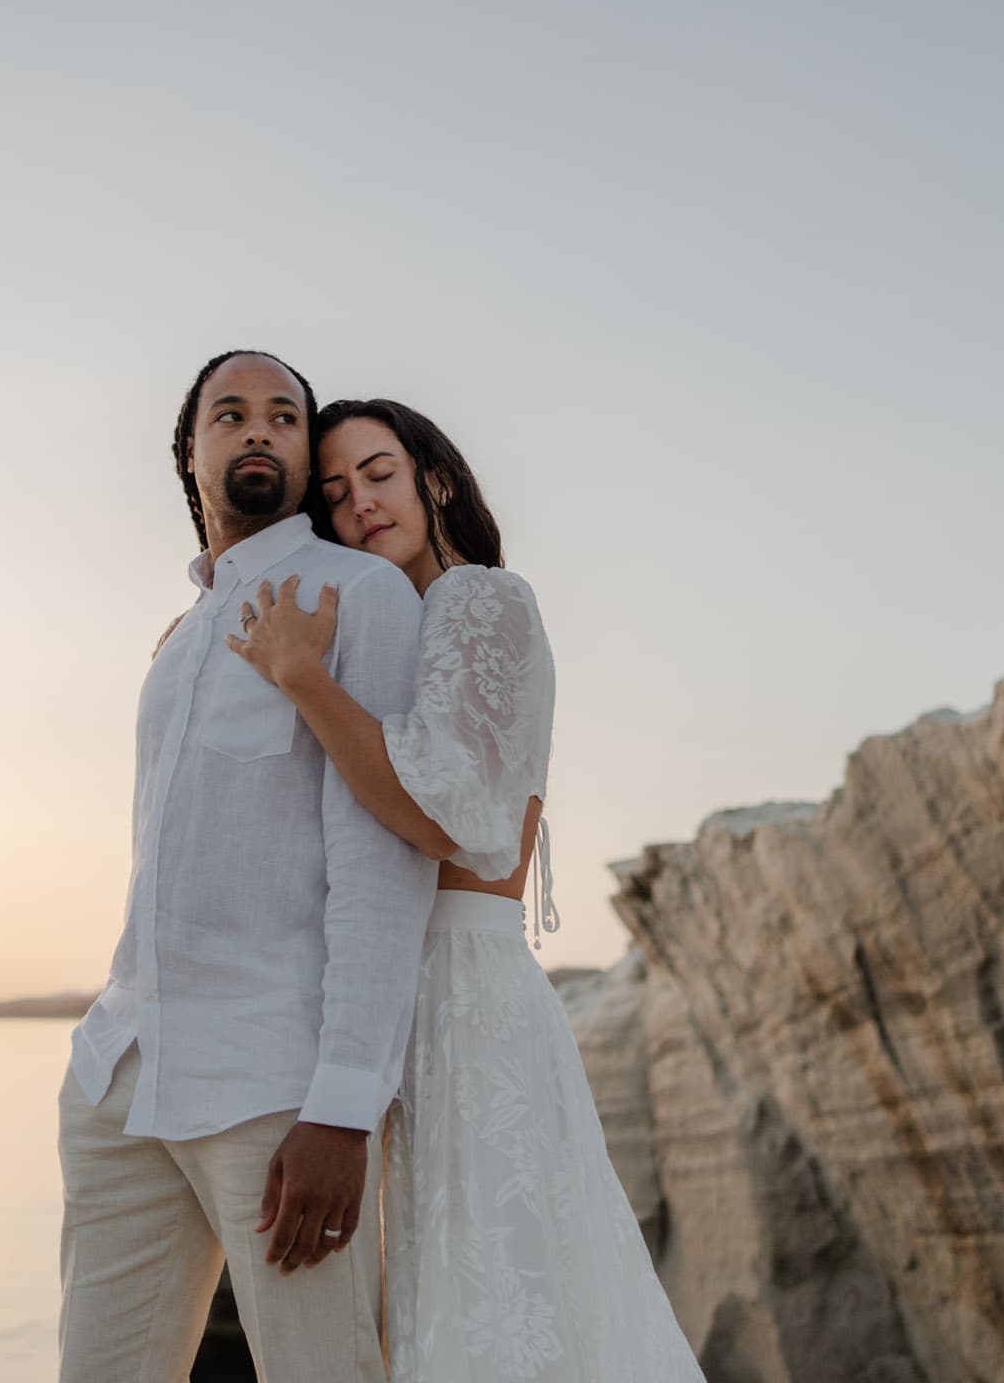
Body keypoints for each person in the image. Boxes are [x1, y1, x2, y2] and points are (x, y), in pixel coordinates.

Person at [227, 398, 707, 1381]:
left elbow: (449, 811)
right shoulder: (416, 624)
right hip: (423, 981)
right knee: (473, 1286)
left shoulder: (481, 598)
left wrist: (302, 677)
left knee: (492, 1290)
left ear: (433, 476)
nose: (359, 504)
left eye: (378, 473)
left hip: (463, 986)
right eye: (335, 494)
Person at [59, 352, 436, 1383]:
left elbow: (381, 857)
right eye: (232, 414)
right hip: (120, 1078)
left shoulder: (361, 595)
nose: (258, 429)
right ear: (193, 452)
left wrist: (344, 1104)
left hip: (275, 1086)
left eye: (283, 415)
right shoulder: (178, 641)